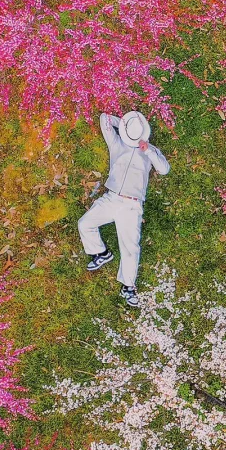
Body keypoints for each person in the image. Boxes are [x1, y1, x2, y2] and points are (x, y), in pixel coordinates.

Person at [78, 110, 169, 307]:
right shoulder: (117, 143)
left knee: (130, 247)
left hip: (132, 205)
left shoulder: (149, 151)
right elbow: (104, 119)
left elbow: (164, 169)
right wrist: (125, 125)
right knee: (84, 223)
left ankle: (128, 287)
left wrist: (148, 149)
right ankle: (101, 253)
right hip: (112, 198)